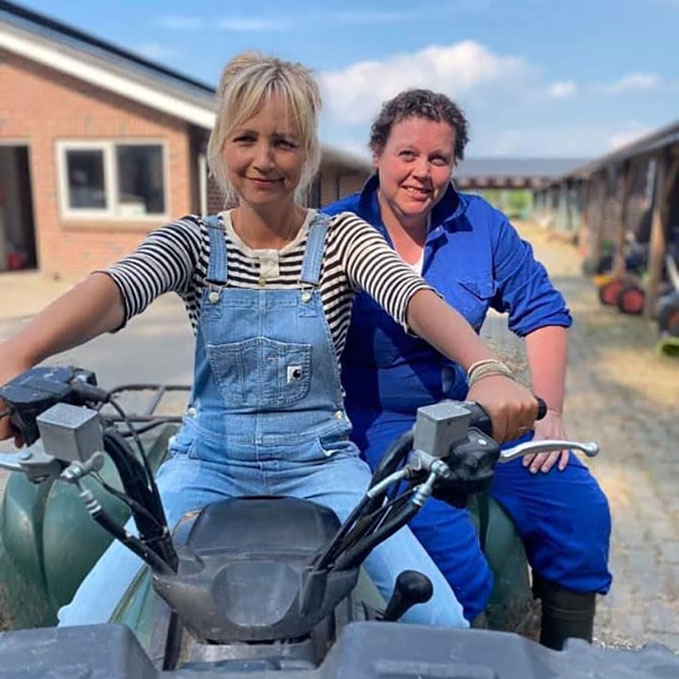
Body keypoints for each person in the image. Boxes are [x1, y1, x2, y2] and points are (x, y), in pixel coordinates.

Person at [0, 56, 539, 629]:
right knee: (85, 621)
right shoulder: (192, 243)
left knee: (443, 623)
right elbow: (116, 288)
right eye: (246, 138)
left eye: (283, 142)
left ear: (306, 154)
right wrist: (17, 354)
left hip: (321, 463)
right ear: (221, 147)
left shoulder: (341, 239)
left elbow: (409, 295)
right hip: (206, 460)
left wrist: (484, 366)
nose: (263, 159)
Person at [323, 89, 612, 649]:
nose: (422, 172)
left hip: (469, 411)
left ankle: (562, 659)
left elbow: (543, 310)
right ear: (377, 153)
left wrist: (549, 411)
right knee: (455, 563)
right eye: (407, 154)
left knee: (579, 510)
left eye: (438, 159)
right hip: (377, 421)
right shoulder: (333, 230)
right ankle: (465, 649)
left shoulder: (481, 225)